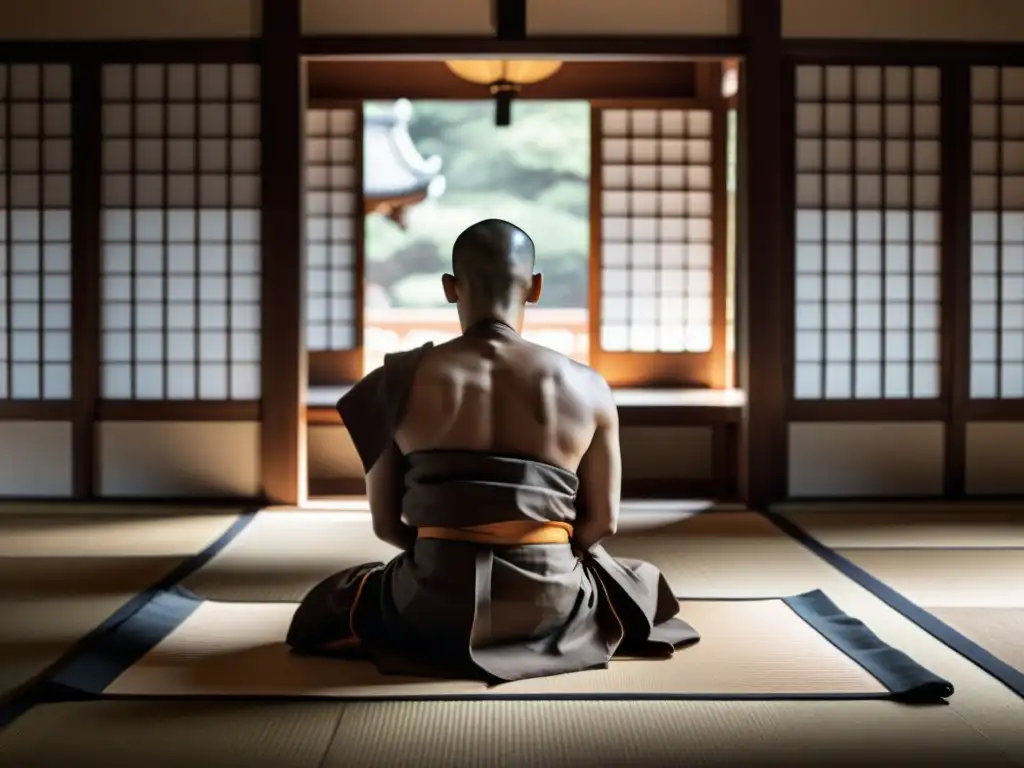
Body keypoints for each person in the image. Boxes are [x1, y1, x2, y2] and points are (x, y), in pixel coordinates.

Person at [286, 219, 699, 682]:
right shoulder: (588, 386)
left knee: (336, 600)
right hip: (550, 602)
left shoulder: (394, 382)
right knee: (639, 581)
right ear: (536, 287)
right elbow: (603, 522)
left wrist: (448, 553)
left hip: (432, 603)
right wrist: (541, 555)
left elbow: (386, 526)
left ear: (449, 287)